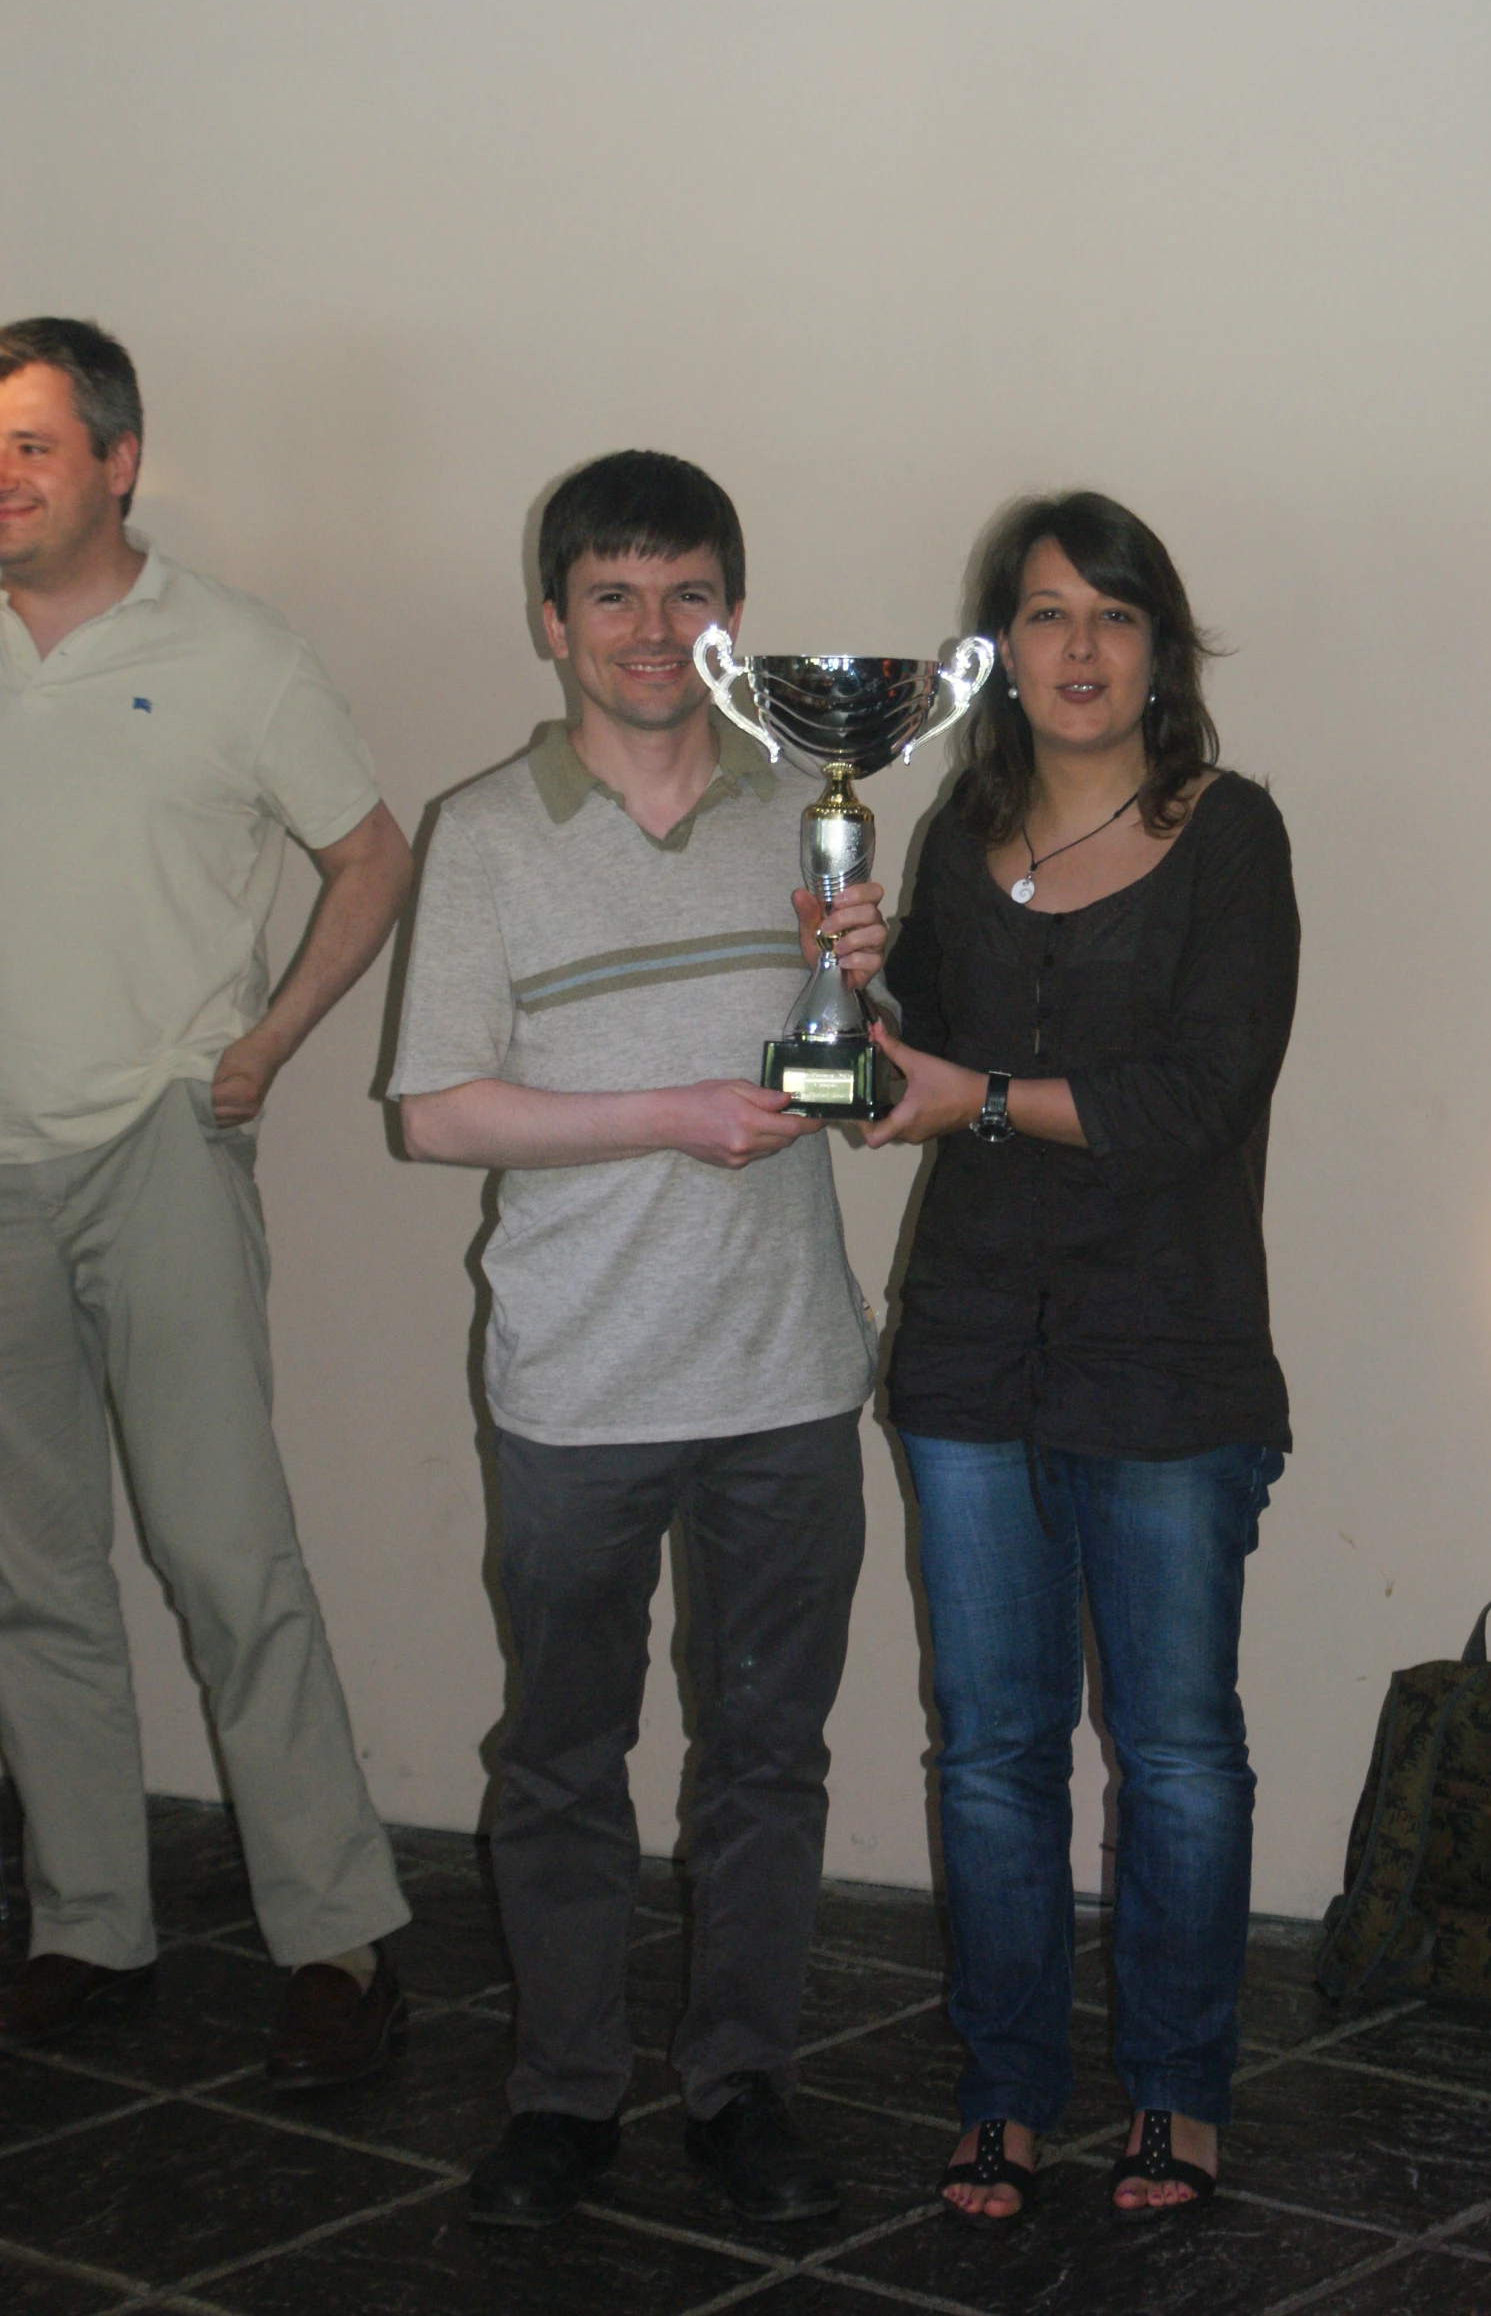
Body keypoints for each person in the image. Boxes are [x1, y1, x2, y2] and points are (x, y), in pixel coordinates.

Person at [390, 451, 884, 2229]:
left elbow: (862, 1083)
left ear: (729, 617)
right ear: (553, 622)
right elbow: (435, 1114)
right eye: (613, 596)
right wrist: (667, 1111)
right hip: (577, 1386)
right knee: (561, 1757)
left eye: (686, 594)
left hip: (784, 1377)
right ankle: (566, 2097)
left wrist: (862, 984)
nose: (652, 631)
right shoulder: (482, 833)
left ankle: (742, 2088)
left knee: (766, 1757)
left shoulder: (805, 812)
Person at [866, 491, 1298, 2225]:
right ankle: (1003, 2094)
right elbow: (891, 1067)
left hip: (1167, 1365)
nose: (1079, 648)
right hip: (968, 1357)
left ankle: (1179, 2095)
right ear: (1001, 651)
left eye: (1114, 616)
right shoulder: (952, 832)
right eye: (1045, 614)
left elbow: (1201, 1099)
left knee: (1178, 1750)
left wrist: (973, 1099)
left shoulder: (1231, 834)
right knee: (988, 1751)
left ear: (1159, 649)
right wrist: (848, 1002)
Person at [0, 318, 416, 2086]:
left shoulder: (236, 655)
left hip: (160, 1145)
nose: (2, 474)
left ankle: (339, 1934)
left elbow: (370, 852)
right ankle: (90, 1921)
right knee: (32, 1576)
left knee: (224, 1556)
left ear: (118, 459)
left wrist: (266, 1043)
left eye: (29, 441)